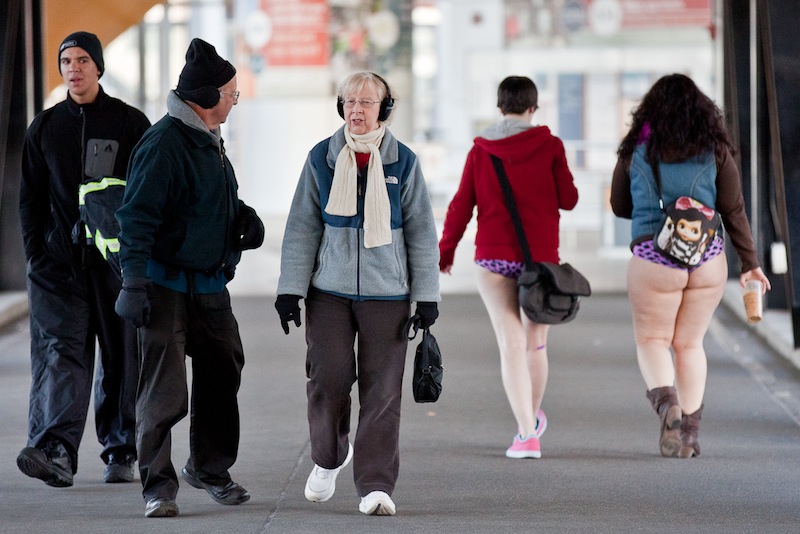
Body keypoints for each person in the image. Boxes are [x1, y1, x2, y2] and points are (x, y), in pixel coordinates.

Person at [275, 71, 440, 516]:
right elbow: (302, 227)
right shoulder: (321, 159)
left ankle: (375, 486)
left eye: (367, 102)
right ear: (341, 106)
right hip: (329, 291)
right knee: (327, 380)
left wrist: (426, 295)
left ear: (384, 109)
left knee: (382, 392)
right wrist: (290, 289)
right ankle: (328, 457)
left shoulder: (402, 162)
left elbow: (423, 233)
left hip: (389, 294)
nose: (357, 110)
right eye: (350, 101)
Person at [114, 38, 264, 518]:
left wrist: (241, 218)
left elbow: (203, 201)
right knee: (163, 390)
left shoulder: (207, 137)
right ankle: (158, 486)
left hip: (210, 286)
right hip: (164, 288)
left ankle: (208, 468)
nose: (234, 102)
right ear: (208, 95)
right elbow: (135, 218)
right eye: (231, 94)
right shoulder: (164, 144)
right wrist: (133, 283)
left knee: (224, 371)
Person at [610, 73, 771, 458]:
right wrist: (750, 263)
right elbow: (733, 209)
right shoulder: (713, 148)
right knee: (690, 344)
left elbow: (619, 206)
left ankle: (669, 407)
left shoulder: (636, 148)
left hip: (655, 257)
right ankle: (690, 437)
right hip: (707, 258)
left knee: (652, 340)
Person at [17, 31, 150, 488]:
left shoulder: (130, 123)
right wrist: (38, 251)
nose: (73, 68)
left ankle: (120, 448)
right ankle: (56, 450)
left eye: (81, 60)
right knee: (61, 354)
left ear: (98, 67)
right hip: (58, 268)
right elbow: (29, 199)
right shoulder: (45, 127)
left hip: (114, 265)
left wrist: (138, 258)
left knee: (120, 357)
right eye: (65, 61)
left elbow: (147, 194)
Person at [439, 76, 578, 459]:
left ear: (500, 107)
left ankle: (526, 432)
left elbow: (460, 206)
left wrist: (445, 252)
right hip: (542, 261)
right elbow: (569, 199)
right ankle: (529, 423)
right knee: (535, 344)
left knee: (510, 344)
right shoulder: (550, 147)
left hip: (494, 258)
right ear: (533, 107)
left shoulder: (480, 151)